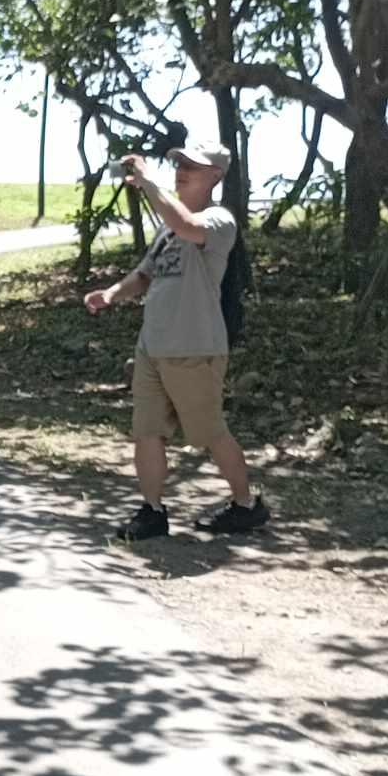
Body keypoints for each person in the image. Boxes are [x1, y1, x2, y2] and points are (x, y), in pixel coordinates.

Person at [84, 140, 269, 541]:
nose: (182, 169)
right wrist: (113, 293)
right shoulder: (167, 229)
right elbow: (145, 273)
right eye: (180, 163)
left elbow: (189, 226)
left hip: (194, 347)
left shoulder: (220, 220)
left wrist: (149, 183)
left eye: (193, 165)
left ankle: (247, 506)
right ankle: (152, 512)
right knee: (147, 431)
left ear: (216, 176)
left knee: (209, 433)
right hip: (153, 345)